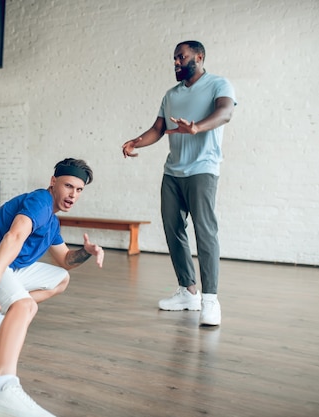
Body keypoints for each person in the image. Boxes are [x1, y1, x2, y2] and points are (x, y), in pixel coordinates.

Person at [0, 158, 104, 417]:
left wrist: (87, 252)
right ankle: (2, 388)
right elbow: (14, 235)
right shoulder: (39, 202)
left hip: (4, 266)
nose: (73, 195)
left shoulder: (52, 222)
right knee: (24, 306)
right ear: (53, 182)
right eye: (69, 186)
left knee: (59, 279)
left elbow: (65, 261)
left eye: (79, 190)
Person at [122, 40, 236, 326]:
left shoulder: (218, 84)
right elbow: (159, 129)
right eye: (174, 58)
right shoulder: (170, 94)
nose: (176, 62)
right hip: (173, 172)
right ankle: (188, 291)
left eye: (181, 57)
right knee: (173, 230)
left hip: (203, 169)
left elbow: (226, 113)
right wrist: (136, 142)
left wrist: (197, 126)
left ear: (199, 57)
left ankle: (210, 299)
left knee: (205, 232)